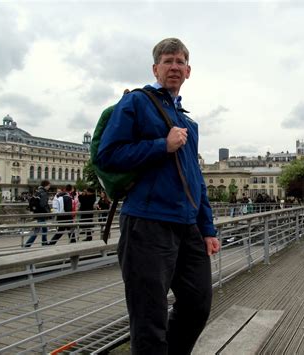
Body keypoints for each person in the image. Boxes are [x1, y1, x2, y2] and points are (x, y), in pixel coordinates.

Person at [96, 38, 220, 354]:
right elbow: (107, 155)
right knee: (148, 319)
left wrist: (207, 228)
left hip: (187, 225)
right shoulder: (136, 103)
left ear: (188, 71)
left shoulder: (188, 122)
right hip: (147, 223)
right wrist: (160, 146)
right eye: (167, 61)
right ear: (155, 68)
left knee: (197, 304)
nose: (174, 67)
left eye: (180, 61)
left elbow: (195, 180)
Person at [25, 180, 51, 247]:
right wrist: (48, 211)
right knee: (37, 229)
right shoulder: (43, 193)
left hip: (37, 212)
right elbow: (43, 204)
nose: (49, 187)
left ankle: (44, 242)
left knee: (43, 228)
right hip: (41, 213)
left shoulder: (37, 191)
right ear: (46, 185)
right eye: (49, 185)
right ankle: (28, 244)